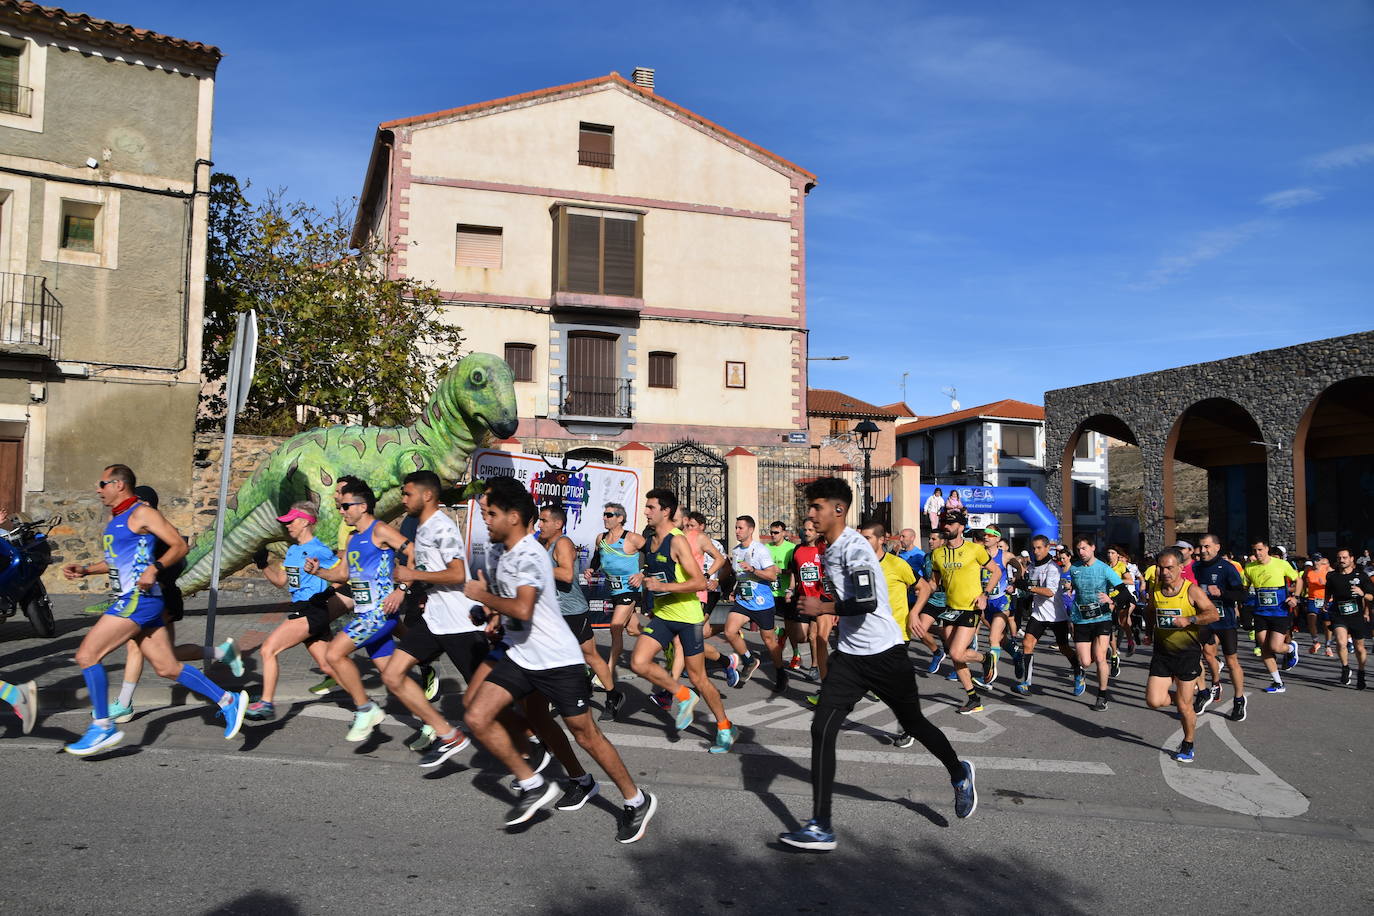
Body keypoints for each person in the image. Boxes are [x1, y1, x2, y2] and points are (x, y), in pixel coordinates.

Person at [779, 476, 975, 851]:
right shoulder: (826, 547)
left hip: (886, 653)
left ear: (838, 510)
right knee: (822, 729)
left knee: (914, 723)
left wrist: (823, 607)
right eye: (810, 507)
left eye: (816, 507)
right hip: (851, 656)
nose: (810, 514)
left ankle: (958, 772)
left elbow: (867, 601)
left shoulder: (854, 549)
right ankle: (821, 825)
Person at [461, 477, 657, 841]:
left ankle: (636, 799)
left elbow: (522, 605)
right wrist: (487, 614)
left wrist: (484, 598)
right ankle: (544, 784)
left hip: (556, 658)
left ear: (515, 516)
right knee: (478, 715)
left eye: (491, 513)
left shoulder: (532, 554)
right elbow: (509, 607)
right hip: (521, 654)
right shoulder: (498, 552)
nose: (485, 519)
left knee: (586, 734)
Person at [61, 464, 247, 755]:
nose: (98, 489)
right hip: (137, 600)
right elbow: (116, 563)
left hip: (138, 599)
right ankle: (227, 700)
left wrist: (154, 567)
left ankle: (102, 726)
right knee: (167, 667)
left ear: (119, 484)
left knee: (87, 655)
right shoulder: (118, 518)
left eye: (102, 483)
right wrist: (85, 569)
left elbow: (179, 545)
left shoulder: (142, 513)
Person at [376, 471, 491, 766]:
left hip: (459, 623)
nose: (403, 499)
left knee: (489, 700)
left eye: (407, 493)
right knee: (392, 674)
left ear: (427, 495)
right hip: (434, 620)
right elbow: (427, 568)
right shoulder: (420, 526)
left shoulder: (442, 527)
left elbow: (456, 573)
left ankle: (534, 744)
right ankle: (448, 734)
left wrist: (413, 575)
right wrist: (409, 587)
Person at [105, 485, 242, 723]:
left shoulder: (158, 531)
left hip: (162, 598)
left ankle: (124, 704)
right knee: (166, 657)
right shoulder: (138, 529)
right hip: (148, 598)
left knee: (137, 648)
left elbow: (179, 559)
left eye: (137, 501)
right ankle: (222, 652)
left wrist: (158, 577)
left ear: (147, 503)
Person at [629, 489, 736, 753]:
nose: (646, 511)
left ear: (665, 511)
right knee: (638, 662)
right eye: (646, 507)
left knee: (699, 678)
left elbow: (699, 581)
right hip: (665, 615)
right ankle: (682, 694)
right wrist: (644, 580)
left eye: (650, 507)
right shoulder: (651, 539)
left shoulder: (677, 541)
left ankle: (724, 727)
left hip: (688, 618)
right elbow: (656, 573)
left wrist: (664, 587)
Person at [304, 479, 411, 741]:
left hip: (380, 613)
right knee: (392, 677)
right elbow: (341, 574)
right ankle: (433, 724)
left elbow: (414, 551)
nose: (341, 511)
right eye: (340, 507)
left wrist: (403, 589)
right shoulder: (353, 538)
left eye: (345, 506)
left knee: (334, 653)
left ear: (363, 507)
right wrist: (319, 571)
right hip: (364, 614)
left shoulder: (381, 530)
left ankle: (365, 708)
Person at [245, 502, 350, 720]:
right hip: (301, 608)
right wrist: (263, 564)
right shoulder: (292, 551)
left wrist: (329, 592)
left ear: (304, 522)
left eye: (291, 521)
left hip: (311, 610)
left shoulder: (319, 550)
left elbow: (343, 575)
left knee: (268, 650)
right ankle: (366, 704)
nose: (287, 526)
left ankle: (266, 703)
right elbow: (280, 581)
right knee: (328, 666)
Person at [911, 507, 1000, 715]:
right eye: (944, 523)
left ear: (961, 527)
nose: (946, 526)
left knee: (957, 652)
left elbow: (996, 571)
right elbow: (934, 583)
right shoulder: (937, 554)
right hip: (950, 609)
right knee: (955, 656)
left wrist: (984, 594)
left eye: (950, 523)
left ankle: (986, 659)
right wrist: (921, 589)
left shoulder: (975, 550)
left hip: (971, 607)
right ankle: (973, 698)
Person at [538, 505, 621, 720]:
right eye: (539, 520)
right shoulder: (542, 543)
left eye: (544, 520)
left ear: (558, 524)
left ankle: (613, 695)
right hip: (552, 612)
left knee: (590, 655)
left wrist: (536, 566)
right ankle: (550, 697)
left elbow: (566, 575)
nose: (540, 524)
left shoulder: (563, 543)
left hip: (572, 612)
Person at [1144, 548, 1219, 762]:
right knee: (1153, 700)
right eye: (1161, 567)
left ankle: (1188, 744)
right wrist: (1148, 632)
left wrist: (1190, 620)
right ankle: (1189, 700)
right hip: (1162, 654)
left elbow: (1212, 613)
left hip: (1187, 655)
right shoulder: (1156, 589)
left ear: (1180, 568)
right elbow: (1151, 610)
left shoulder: (1191, 591)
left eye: (1169, 567)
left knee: (1184, 707)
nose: (1165, 572)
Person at [1190, 533, 1248, 721]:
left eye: (1207, 547)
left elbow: (1241, 595)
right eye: (1201, 547)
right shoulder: (1196, 567)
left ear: (1217, 547)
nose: (1203, 551)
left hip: (1226, 622)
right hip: (1205, 620)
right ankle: (1206, 689)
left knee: (1231, 661)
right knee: (1200, 654)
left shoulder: (1227, 568)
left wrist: (1222, 592)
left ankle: (1239, 700)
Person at [1065, 536, 1127, 711]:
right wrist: (1070, 588)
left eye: (1084, 548)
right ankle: (1083, 670)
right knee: (1085, 661)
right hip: (1081, 618)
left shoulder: (1104, 569)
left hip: (1102, 618)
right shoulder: (1074, 568)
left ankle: (1102, 695)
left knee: (1100, 658)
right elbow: (1072, 586)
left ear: (1092, 548)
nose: (1081, 552)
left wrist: (1111, 598)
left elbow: (1123, 592)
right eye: (1078, 550)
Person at [726, 515, 786, 692]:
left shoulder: (759, 550)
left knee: (769, 640)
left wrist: (753, 569)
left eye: (740, 528)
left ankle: (780, 673)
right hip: (744, 601)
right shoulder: (736, 551)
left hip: (762, 603)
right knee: (729, 631)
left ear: (750, 530)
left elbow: (772, 575)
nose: (737, 531)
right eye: (736, 528)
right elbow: (739, 576)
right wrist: (735, 589)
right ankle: (749, 660)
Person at [1014, 535, 1079, 695]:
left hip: (1057, 616)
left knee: (1064, 648)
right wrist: (1020, 587)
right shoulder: (1034, 567)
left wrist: (1028, 588)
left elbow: (1049, 592)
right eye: (1034, 548)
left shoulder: (1053, 568)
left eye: (1039, 548)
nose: (1035, 551)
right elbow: (1034, 585)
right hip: (1039, 615)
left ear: (1047, 548)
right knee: (1027, 643)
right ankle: (1026, 682)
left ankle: (1079, 671)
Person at [587, 503, 644, 684]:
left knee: (615, 626)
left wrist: (642, 573)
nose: (605, 518)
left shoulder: (632, 538)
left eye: (609, 515)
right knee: (634, 630)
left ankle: (608, 672)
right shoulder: (601, 539)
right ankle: (662, 640)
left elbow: (651, 552)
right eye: (604, 514)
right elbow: (597, 558)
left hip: (630, 589)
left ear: (620, 518)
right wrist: (591, 569)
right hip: (614, 590)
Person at [1243, 539, 1301, 694]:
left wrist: (1295, 597)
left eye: (1260, 550)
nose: (1257, 553)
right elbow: (1244, 586)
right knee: (1264, 648)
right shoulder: (1249, 567)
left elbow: (1298, 579)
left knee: (1275, 646)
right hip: (1260, 612)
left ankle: (1290, 648)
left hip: (1279, 611)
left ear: (1267, 549)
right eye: (1255, 550)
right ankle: (1278, 682)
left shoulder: (1281, 564)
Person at [1324, 548, 1372, 689]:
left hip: (1356, 616)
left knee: (1359, 648)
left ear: (1352, 559)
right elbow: (1328, 590)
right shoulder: (1332, 576)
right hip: (1339, 614)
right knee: (1341, 642)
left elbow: (1371, 596)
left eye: (1345, 558)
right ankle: (1345, 668)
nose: (1342, 560)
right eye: (1339, 558)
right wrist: (1326, 602)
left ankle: (1361, 673)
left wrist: (1362, 593)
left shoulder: (1361, 576)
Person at [976, 525, 1013, 686]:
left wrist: (1015, 582)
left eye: (991, 535)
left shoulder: (1005, 556)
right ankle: (1017, 656)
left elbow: (1020, 568)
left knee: (992, 638)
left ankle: (989, 674)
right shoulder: (979, 554)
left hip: (1001, 602)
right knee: (999, 637)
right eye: (985, 534)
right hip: (985, 603)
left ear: (997, 539)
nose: (986, 537)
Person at [765, 521, 800, 669]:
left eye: (776, 532)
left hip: (786, 592)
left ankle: (796, 654)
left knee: (790, 626)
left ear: (784, 533)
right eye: (771, 532)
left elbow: (795, 571)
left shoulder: (791, 549)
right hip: (770, 591)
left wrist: (781, 571)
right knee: (765, 624)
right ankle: (780, 634)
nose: (773, 535)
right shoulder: (766, 548)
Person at [1301, 555, 1331, 656]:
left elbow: (1335, 582)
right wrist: (1302, 592)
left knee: (1327, 624)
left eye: (1318, 561)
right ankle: (1315, 641)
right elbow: (1303, 581)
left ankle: (1328, 645)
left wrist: (1325, 584)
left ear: (1321, 561)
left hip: (1326, 599)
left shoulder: (1327, 569)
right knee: (1311, 619)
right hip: (1312, 599)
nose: (1316, 563)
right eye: (1314, 561)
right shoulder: (1308, 570)